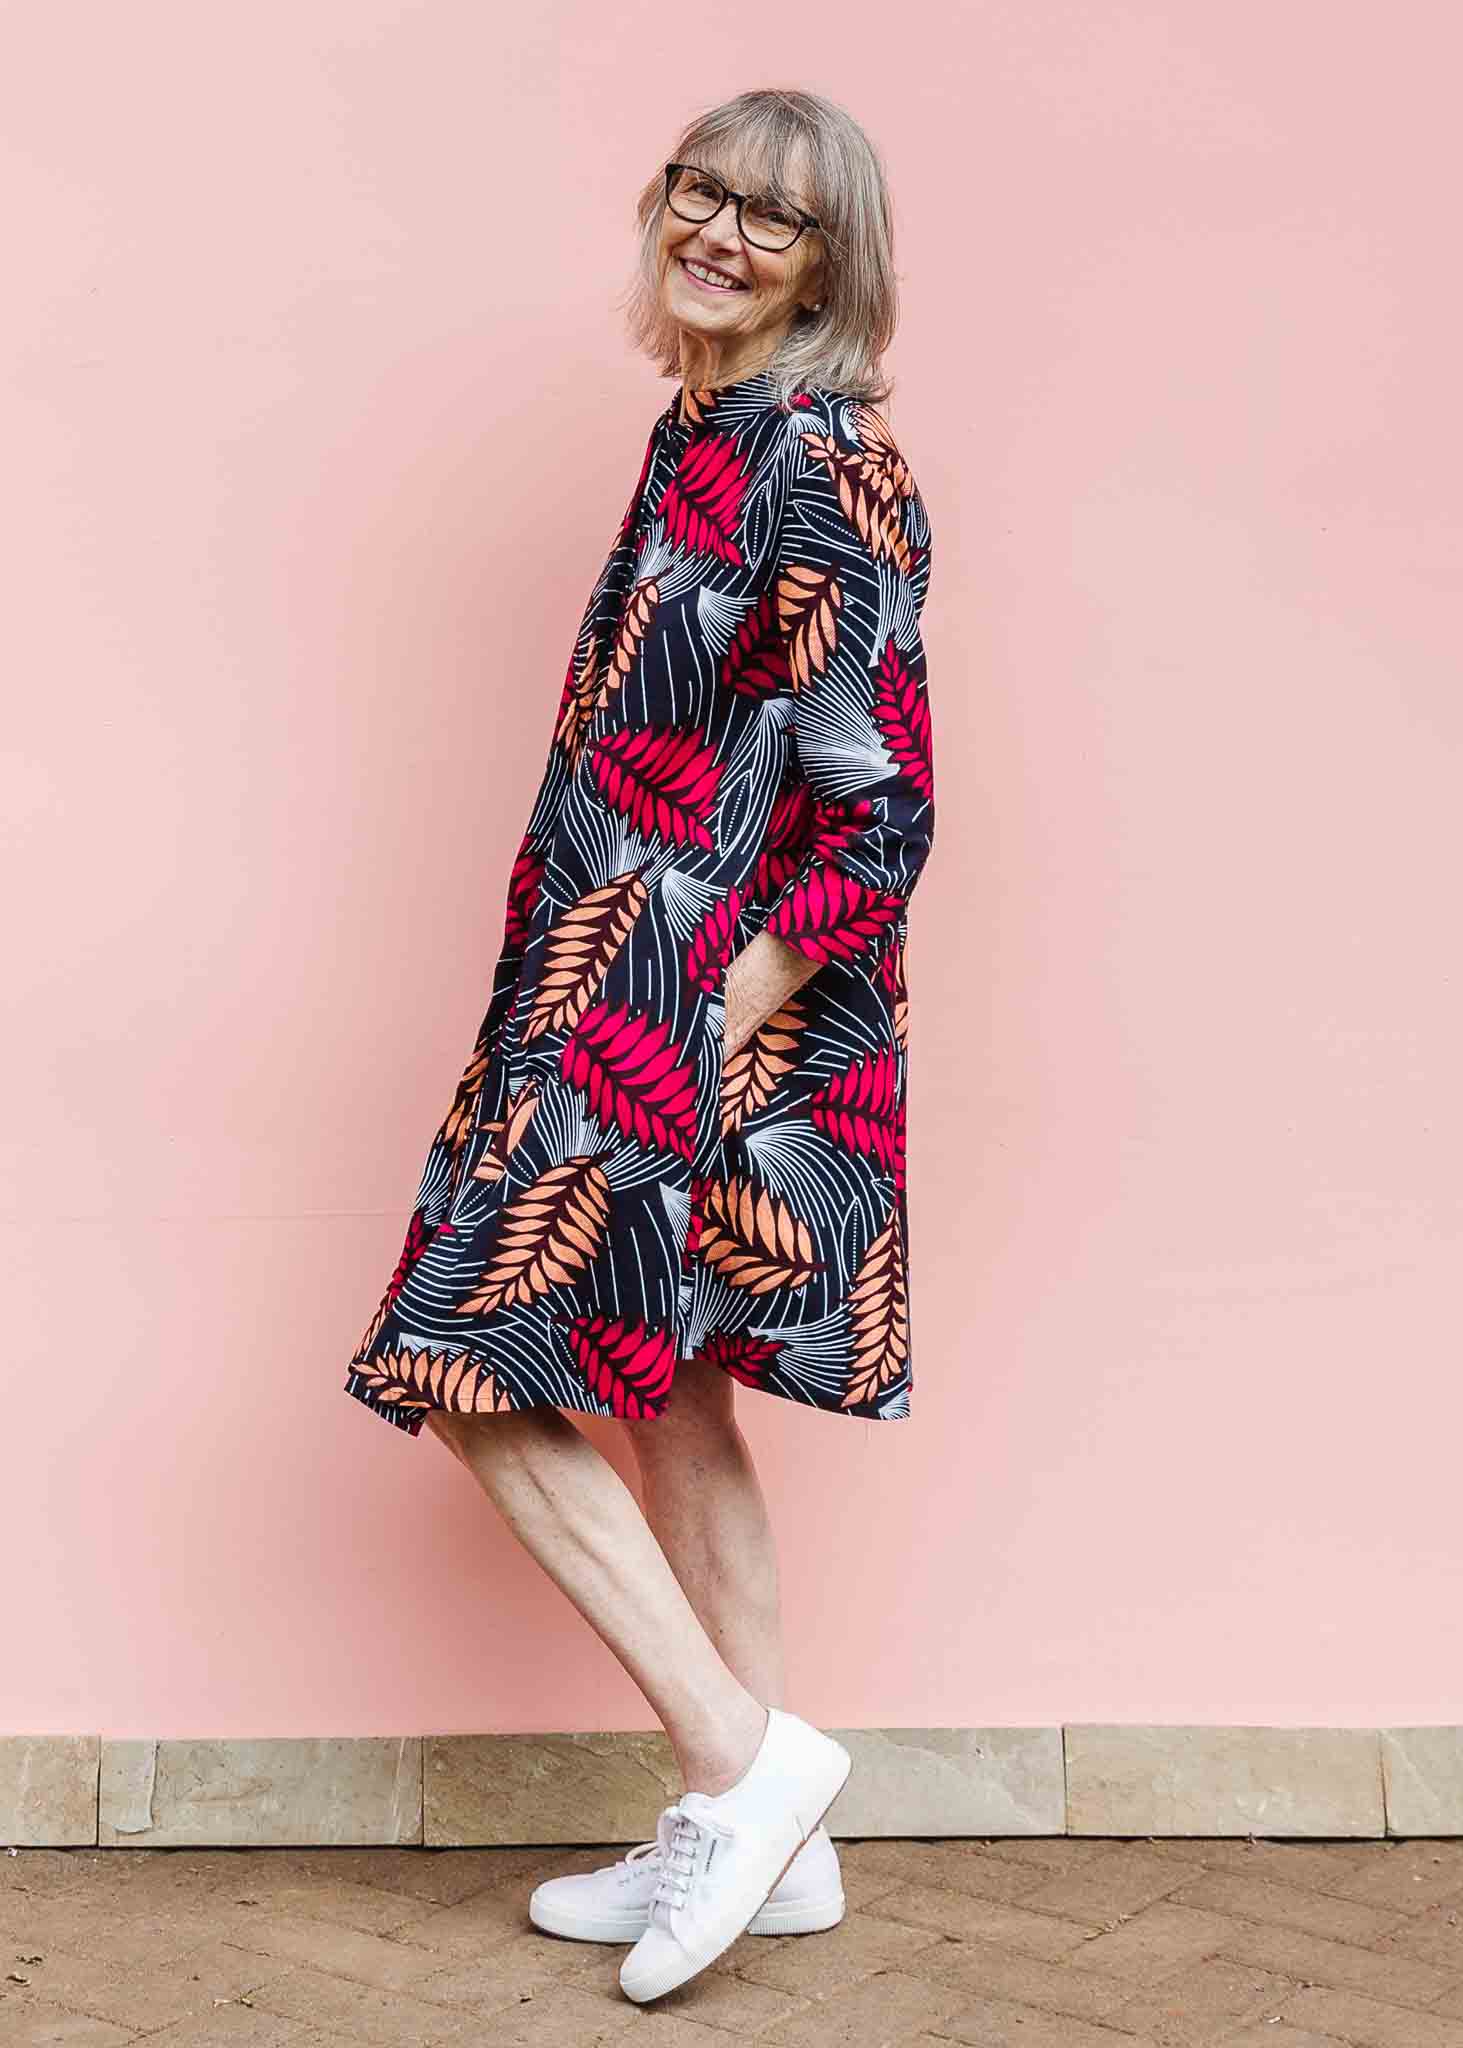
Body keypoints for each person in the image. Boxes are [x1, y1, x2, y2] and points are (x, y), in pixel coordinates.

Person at [342, 86, 937, 2004]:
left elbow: (885, 813)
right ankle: (777, 1851)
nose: (724, 234)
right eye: (705, 192)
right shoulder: (698, 429)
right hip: (606, 990)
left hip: (682, 1023)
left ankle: (739, 1761)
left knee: (468, 1366)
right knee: (672, 1390)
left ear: (832, 263)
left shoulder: (820, 462)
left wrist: (704, 1023)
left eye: (776, 218)